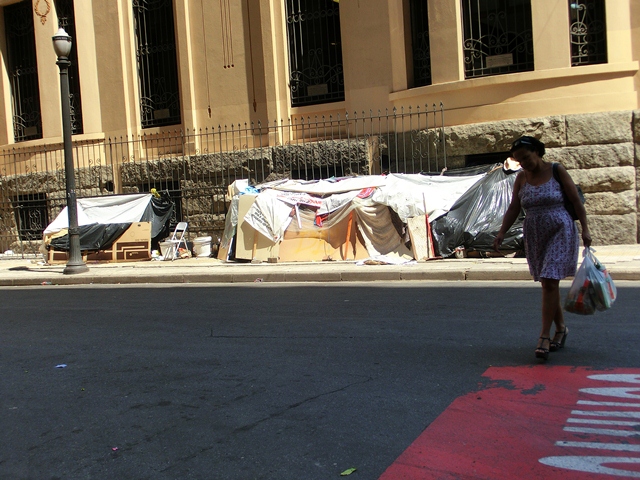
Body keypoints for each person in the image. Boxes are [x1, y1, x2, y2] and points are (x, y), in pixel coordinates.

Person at [493, 136, 591, 360]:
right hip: (535, 234)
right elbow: (514, 208)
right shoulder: (521, 178)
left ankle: (544, 336)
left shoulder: (557, 170)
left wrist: (586, 230)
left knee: (549, 279)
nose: (524, 163)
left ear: (537, 152)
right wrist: (501, 233)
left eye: (526, 158)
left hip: (560, 229)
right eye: (519, 160)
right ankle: (561, 329)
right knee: (548, 283)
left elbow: (576, 201)